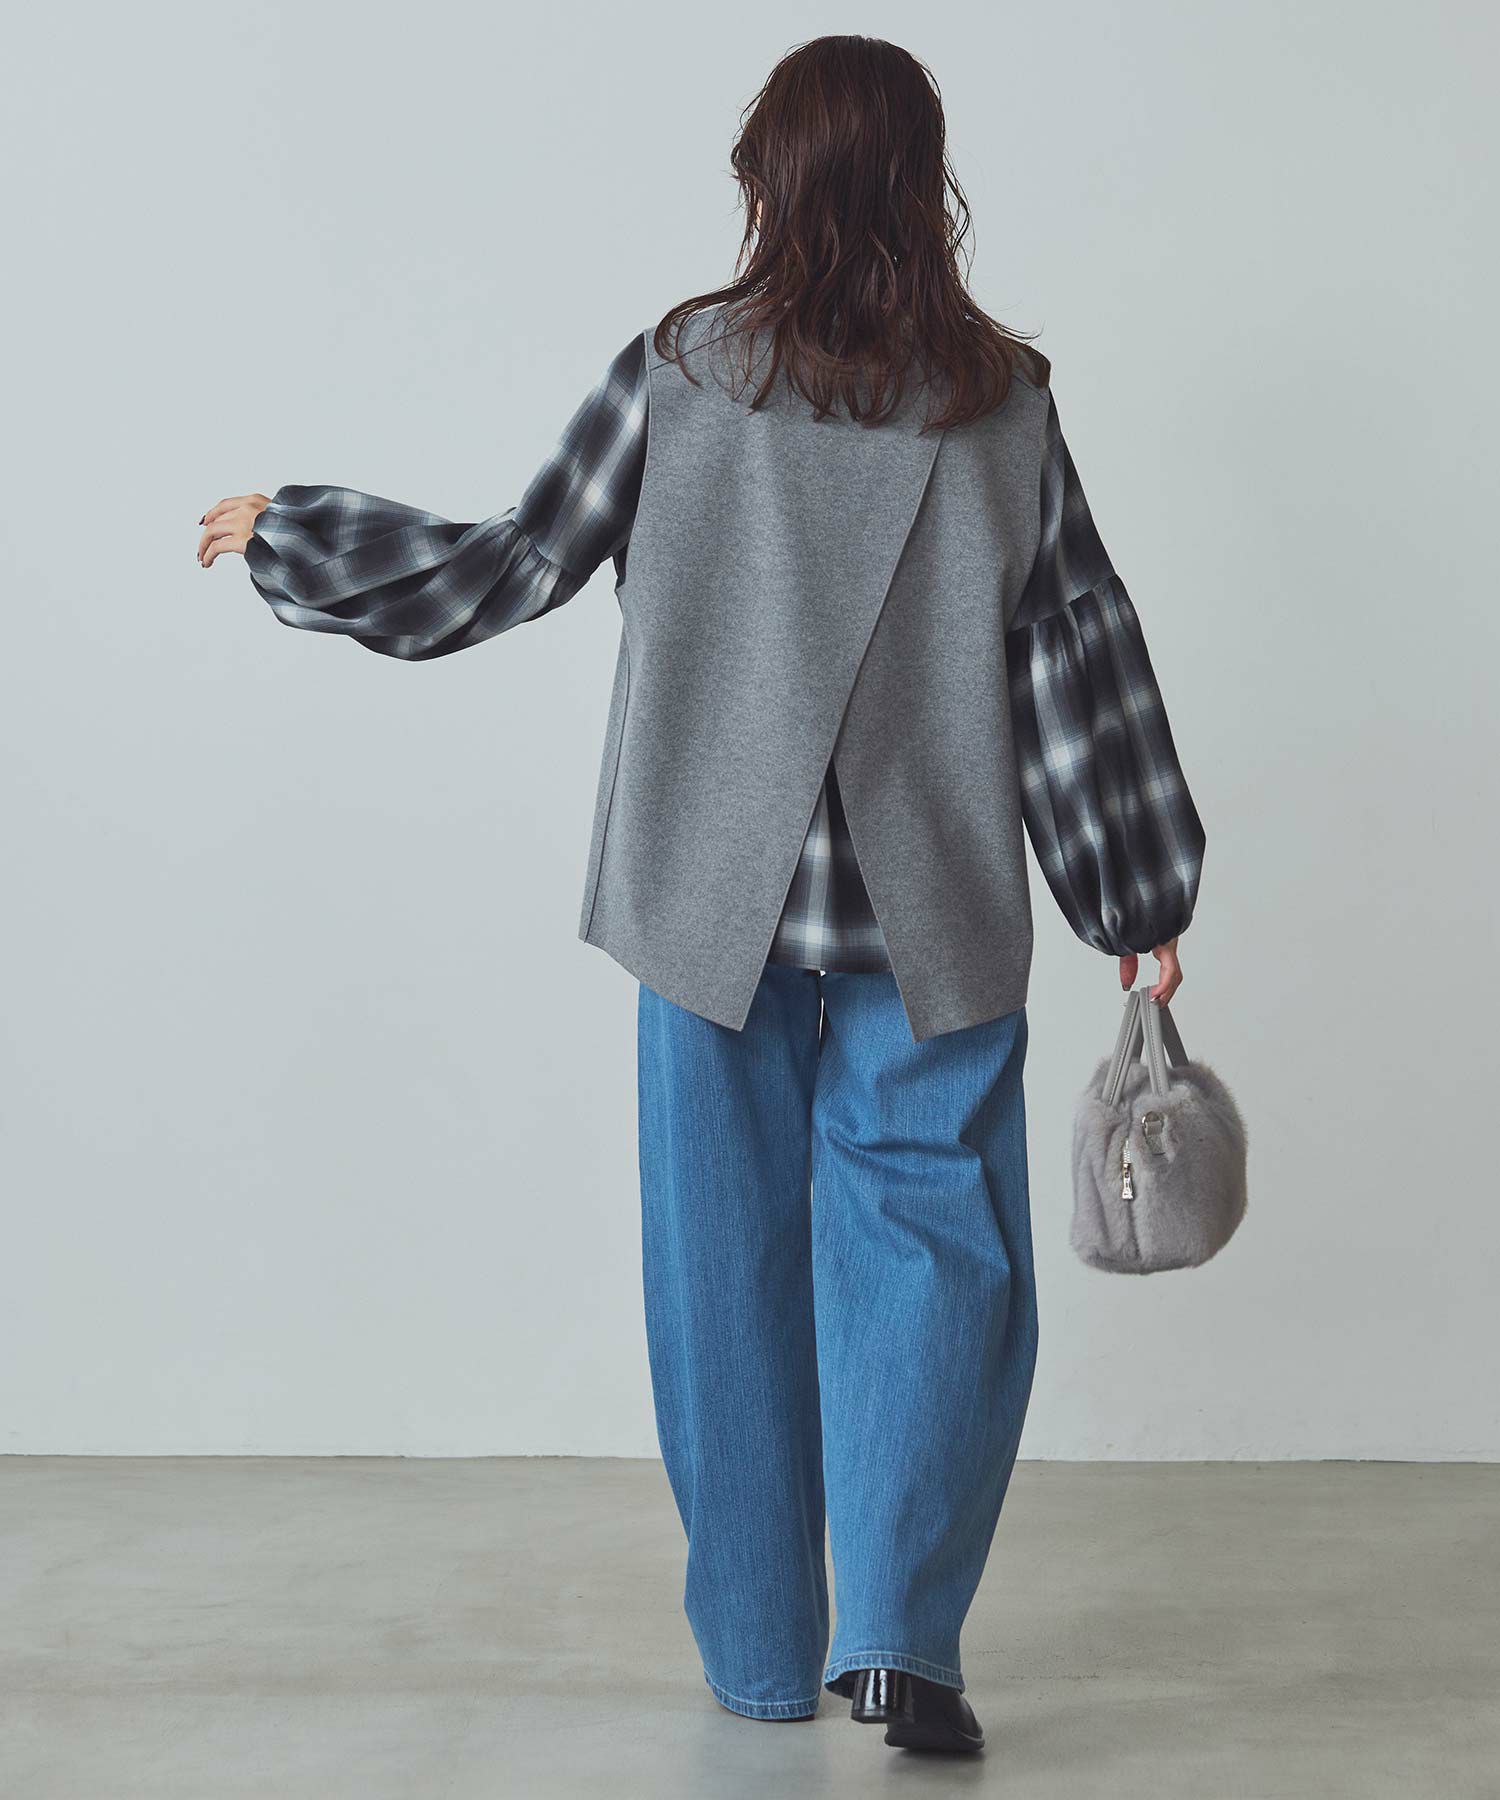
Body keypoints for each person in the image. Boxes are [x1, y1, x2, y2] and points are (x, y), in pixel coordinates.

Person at [198, 34, 1204, 1757]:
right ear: (927, 191)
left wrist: (294, 532)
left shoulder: (677, 377)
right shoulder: (1003, 406)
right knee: (941, 1261)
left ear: (765, 183)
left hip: (702, 903)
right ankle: (902, 1643)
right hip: (931, 908)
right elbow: (1072, 655)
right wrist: (1135, 893)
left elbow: (515, 563)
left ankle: (757, 1658)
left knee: (719, 1274)